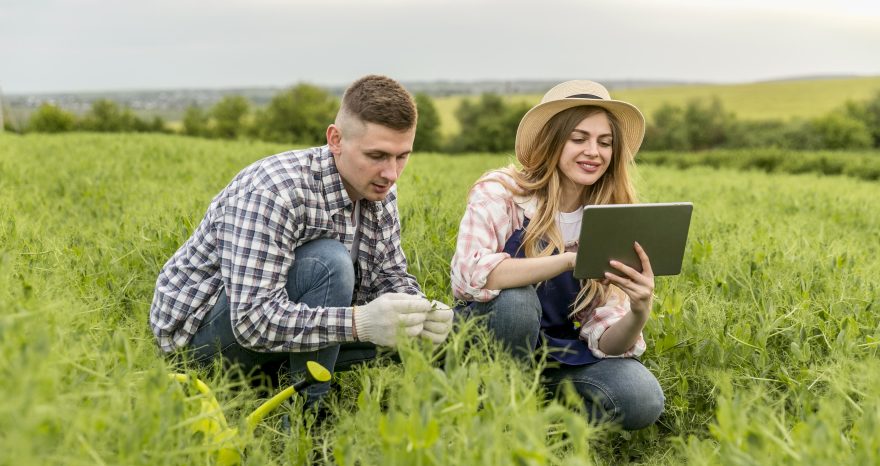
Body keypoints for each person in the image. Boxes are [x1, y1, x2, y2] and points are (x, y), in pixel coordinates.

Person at [150, 75, 453, 405]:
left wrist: (422, 311)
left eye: (402, 156)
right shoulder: (274, 192)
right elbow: (251, 322)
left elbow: (388, 277)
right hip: (201, 344)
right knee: (329, 263)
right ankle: (306, 419)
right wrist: (359, 324)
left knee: (402, 328)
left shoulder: (379, 191)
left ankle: (281, 381)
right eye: (377, 155)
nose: (391, 174)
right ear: (335, 139)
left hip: (279, 336)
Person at [450, 80, 664, 430]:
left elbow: (607, 340)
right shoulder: (503, 193)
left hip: (558, 355)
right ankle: (492, 406)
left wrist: (639, 312)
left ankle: (539, 426)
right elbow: (468, 275)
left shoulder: (611, 215)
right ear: (552, 140)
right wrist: (567, 260)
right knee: (516, 303)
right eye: (579, 139)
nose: (593, 151)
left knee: (642, 397)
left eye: (605, 142)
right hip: (488, 344)